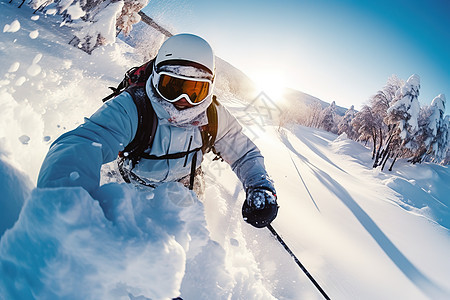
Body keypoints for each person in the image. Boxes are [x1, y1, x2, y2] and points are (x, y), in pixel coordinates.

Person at [37, 33, 278, 228]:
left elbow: (244, 152)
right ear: (155, 78)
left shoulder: (212, 114)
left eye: (196, 91)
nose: (183, 100)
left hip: (185, 188)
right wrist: (64, 210)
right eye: (172, 87)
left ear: (209, 89)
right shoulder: (134, 106)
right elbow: (83, 143)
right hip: (130, 186)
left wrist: (260, 186)